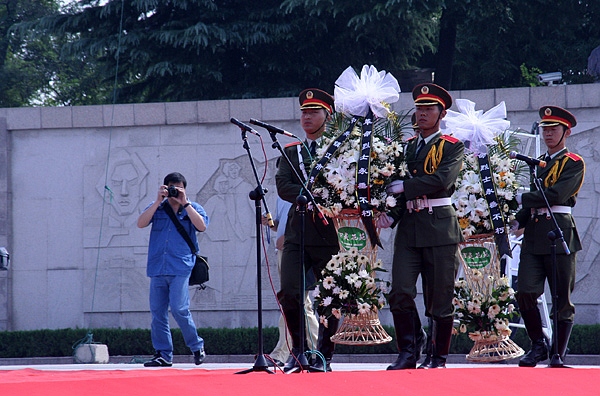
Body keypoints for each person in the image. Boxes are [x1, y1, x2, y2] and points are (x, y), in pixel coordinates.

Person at [379, 83, 465, 370]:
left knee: (439, 297)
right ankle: (410, 348)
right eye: (419, 108)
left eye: (429, 109)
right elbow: (396, 185)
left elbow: (442, 180)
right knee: (400, 291)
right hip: (410, 227)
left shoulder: (452, 146)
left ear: (441, 113)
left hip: (440, 228)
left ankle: (437, 357)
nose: (423, 113)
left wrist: (407, 186)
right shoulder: (407, 147)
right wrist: (392, 214)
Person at [513, 106, 584, 367]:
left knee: (560, 297)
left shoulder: (573, 163)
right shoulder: (539, 163)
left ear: (567, 132)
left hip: (559, 229)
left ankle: (558, 353)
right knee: (525, 291)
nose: (548, 133)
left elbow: (556, 195)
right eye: (545, 128)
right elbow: (534, 203)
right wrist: (516, 219)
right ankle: (538, 344)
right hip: (534, 233)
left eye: (554, 129)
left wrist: (522, 198)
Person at [276, 88, 340, 373]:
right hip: (297, 229)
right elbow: (283, 186)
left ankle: (324, 354)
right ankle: (299, 351)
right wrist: (313, 195)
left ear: (328, 115)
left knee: (331, 296)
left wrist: (317, 197)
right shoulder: (291, 152)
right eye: (303, 112)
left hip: (328, 232)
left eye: (314, 112)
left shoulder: (340, 150)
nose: (307, 117)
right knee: (290, 291)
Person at [137, 172, 209, 367]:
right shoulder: (157, 208)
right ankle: (163, 354)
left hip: (181, 266)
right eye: (171, 188)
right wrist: (156, 201)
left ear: (184, 189)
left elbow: (202, 227)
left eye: (178, 188)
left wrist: (185, 203)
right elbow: (140, 223)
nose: (174, 192)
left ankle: (196, 346)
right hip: (158, 267)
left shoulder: (193, 208)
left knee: (179, 309)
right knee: (158, 312)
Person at [265, 194, 320, 367]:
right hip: (283, 251)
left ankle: (281, 353)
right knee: (302, 305)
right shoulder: (281, 196)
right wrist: (270, 224)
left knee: (294, 302)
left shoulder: (302, 193)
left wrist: (288, 238)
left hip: (298, 252)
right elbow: (280, 225)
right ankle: (315, 351)